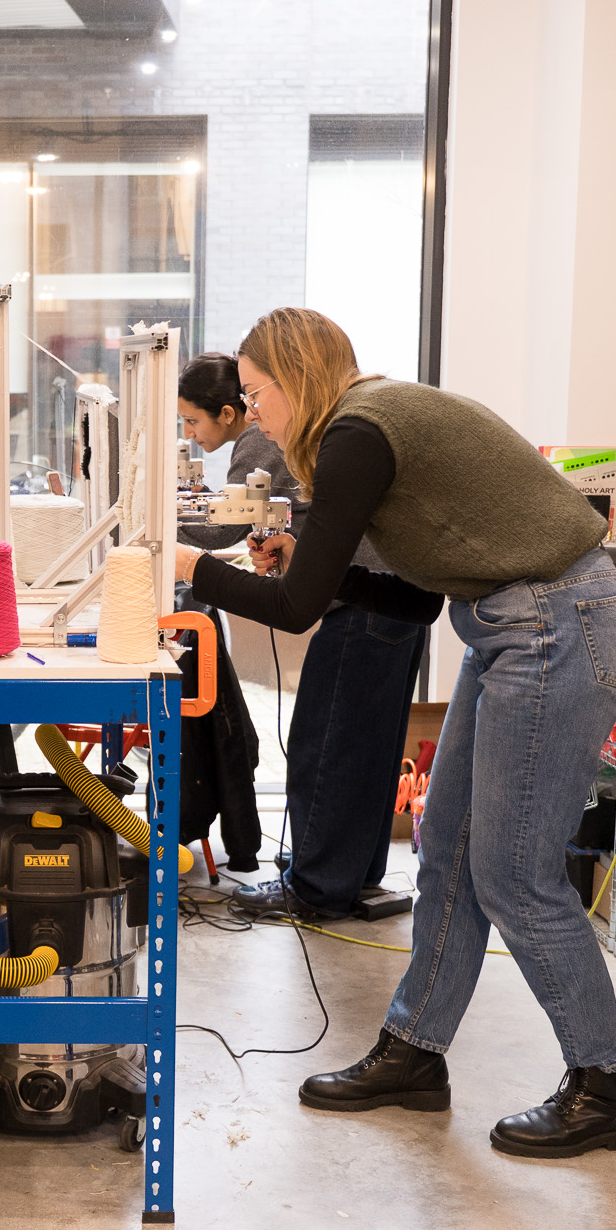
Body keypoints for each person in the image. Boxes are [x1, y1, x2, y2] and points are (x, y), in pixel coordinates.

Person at [173, 307, 616, 1160]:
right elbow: (413, 597)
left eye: (257, 394)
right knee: (449, 855)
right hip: (516, 627)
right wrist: (319, 561)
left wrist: (189, 567)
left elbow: (295, 607)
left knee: (514, 874)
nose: (258, 415)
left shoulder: (358, 432)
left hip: (558, 627)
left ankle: (606, 1082)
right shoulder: (374, 421)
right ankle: (416, 1053)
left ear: (294, 377)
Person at [181, 353, 427, 920]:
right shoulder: (341, 428)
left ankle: (314, 889)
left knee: (327, 746)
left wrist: (168, 539)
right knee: (367, 749)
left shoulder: (271, 439)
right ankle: (353, 878)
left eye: (255, 396)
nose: (254, 411)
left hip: (366, 601)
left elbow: (225, 525)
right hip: (394, 594)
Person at [177, 351, 291, 552]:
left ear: (227, 414)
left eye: (192, 421)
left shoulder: (260, 438)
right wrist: (201, 499)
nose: (187, 433)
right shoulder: (256, 437)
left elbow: (221, 531)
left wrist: (158, 512)